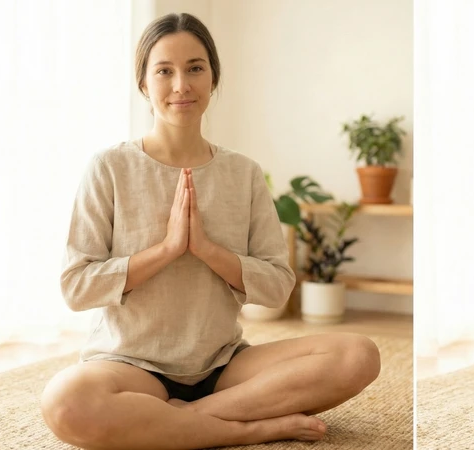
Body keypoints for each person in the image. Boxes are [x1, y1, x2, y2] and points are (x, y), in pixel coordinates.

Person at [40, 13, 380, 449]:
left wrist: (206, 250)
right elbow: (76, 287)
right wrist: (166, 250)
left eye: (195, 68)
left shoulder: (244, 173)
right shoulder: (110, 168)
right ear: (144, 84)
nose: (181, 85)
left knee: (359, 355)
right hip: (130, 366)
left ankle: (187, 420)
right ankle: (256, 427)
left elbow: (277, 287)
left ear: (213, 78)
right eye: (164, 71)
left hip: (225, 367)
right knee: (65, 402)